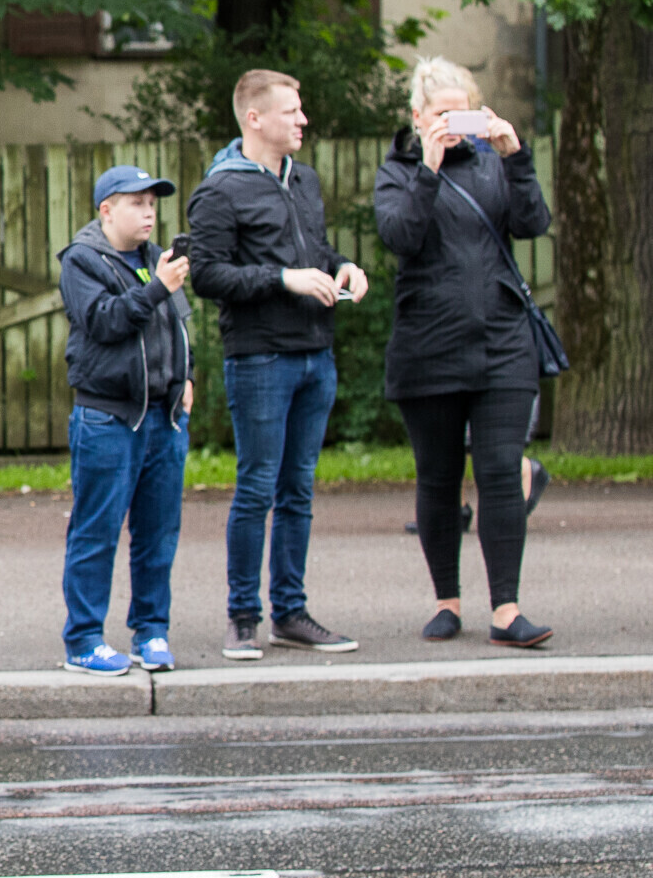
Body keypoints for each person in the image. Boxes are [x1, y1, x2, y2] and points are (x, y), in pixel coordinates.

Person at [373, 58, 555, 648]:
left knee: (501, 470)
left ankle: (507, 609)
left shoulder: (493, 165)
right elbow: (400, 236)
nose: (453, 123)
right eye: (442, 113)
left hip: (502, 342)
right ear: (418, 115)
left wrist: (515, 157)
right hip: (428, 346)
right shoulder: (399, 171)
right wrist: (427, 168)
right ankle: (446, 603)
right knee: (439, 477)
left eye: (463, 112)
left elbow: (533, 222)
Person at [187, 70, 368, 660]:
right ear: (254, 119)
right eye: (291, 111)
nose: (303, 120)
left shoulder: (304, 180)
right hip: (260, 358)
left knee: (298, 491)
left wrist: (342, 266)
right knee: (257, 488)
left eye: (300, 109)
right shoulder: (220, 191)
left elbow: (314, 251)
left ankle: (290, 614)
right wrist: (284, 279)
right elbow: (207, 275)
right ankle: (243, 617)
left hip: (316, 354)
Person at [56, 166, 194, 675]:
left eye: (152, 203)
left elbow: (178, 326)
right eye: (136, 203)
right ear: (107, 211)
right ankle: (83, 640)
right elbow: (105, 321)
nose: (149, 212)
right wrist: (157, 288)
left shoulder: (158, 259)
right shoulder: (81, 261)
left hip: (164, 418)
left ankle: (151, 632)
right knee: (96, 534)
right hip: (108, 418)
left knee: (158, 535)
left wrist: (187, 376)